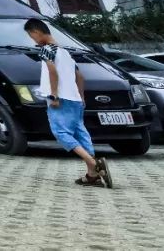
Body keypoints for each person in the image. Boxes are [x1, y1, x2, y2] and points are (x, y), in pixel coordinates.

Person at [25, 18, 112, 188]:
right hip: (75, 100)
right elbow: (80, 77)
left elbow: (52, 71)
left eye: (31, 35)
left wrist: (55, 95)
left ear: (36, 32)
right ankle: (92, 175)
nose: (32, 39)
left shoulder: (46, 50)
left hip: (60, 99)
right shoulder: (65, 52)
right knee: (81, 133)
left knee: (61, 133)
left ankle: (94, 164)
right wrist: (82, 97)